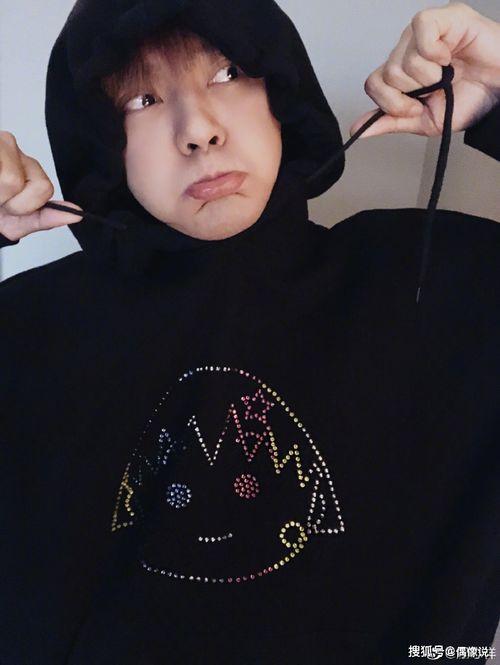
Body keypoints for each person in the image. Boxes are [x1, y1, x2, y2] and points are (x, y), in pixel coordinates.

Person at [0, 1, 498, 663]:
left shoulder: (431, 277)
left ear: (281, 94)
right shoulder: (29, 329)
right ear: (99, 139)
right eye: (143, 100)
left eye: (228, 73)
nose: (198, 131)